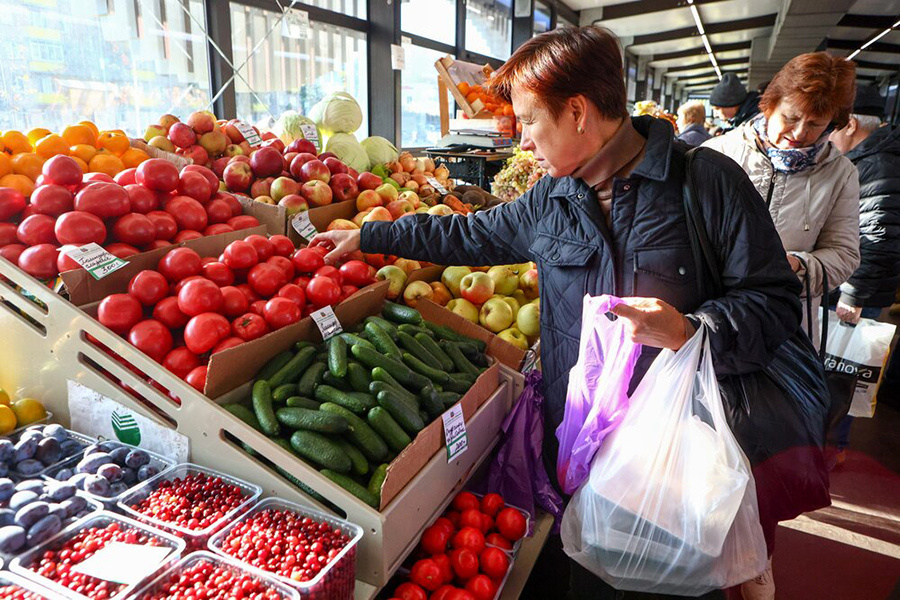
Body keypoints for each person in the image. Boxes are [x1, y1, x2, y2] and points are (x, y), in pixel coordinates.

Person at [310, 26, 803, 600]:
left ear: (576, 112)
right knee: (590, 578)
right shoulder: (553, 197)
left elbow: (773, 302)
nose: (523, 143)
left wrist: (690, 329)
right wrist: (371, 235)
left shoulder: (705, 183)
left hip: (674, 458)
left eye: (528, 121)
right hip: (581, 449)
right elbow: (469, 235)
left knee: (672, 586)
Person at [703, 52, 861, 346]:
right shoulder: (715, 154)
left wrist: (798, 267)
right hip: (708, 321)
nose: (800, 133)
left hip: (786, 329)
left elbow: (844, 254)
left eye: (816, 124)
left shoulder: (841, 174)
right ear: (769, 104)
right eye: (791, 117)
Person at [828, 85, 900, 461]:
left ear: (852, 123)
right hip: (854, 286)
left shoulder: (878, 163)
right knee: (840, 365)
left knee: (843, 365)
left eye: (833, 126)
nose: (829, 135)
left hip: (857, 291)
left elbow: (880, 233)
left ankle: (832, 446)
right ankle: (828, 442)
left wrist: (853, 294)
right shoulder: (870, 158)